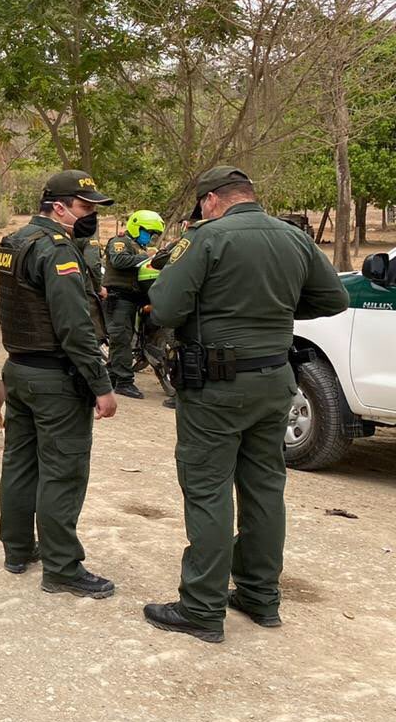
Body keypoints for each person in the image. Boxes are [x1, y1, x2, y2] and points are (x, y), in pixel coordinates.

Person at [143, 167, 348, 643]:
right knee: (264, 490)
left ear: (212, 200)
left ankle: (201, 608)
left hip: (216, 386)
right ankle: (259, 596)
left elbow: (167, 308)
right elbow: (333, 297)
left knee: (209, 490)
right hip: (276, 380)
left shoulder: (207, 238)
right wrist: (274, 307)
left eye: (202, 206)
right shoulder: (293, 237)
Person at [0, 170, 119, 599]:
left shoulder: (14, 241)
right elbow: (74, 328)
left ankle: (16, 549)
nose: (90, 217)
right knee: (62, 472)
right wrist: (102, 385)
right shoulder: (56, 250)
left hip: (19, 370)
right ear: (59, 207)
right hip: (55, 379)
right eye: (85, 208)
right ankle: (63, 568)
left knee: (20, 464)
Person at [102, 210, 166, 399]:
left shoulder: (138, 247)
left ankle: (112, 376)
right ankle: (124, 382)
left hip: (131, 299)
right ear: (136, 227)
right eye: (147, 232)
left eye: (153, 234)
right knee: (121, 340)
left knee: (122, 339)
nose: (150, 237)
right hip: (118, 298)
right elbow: (119, 260)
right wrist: (150, 258)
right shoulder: (120, 242)